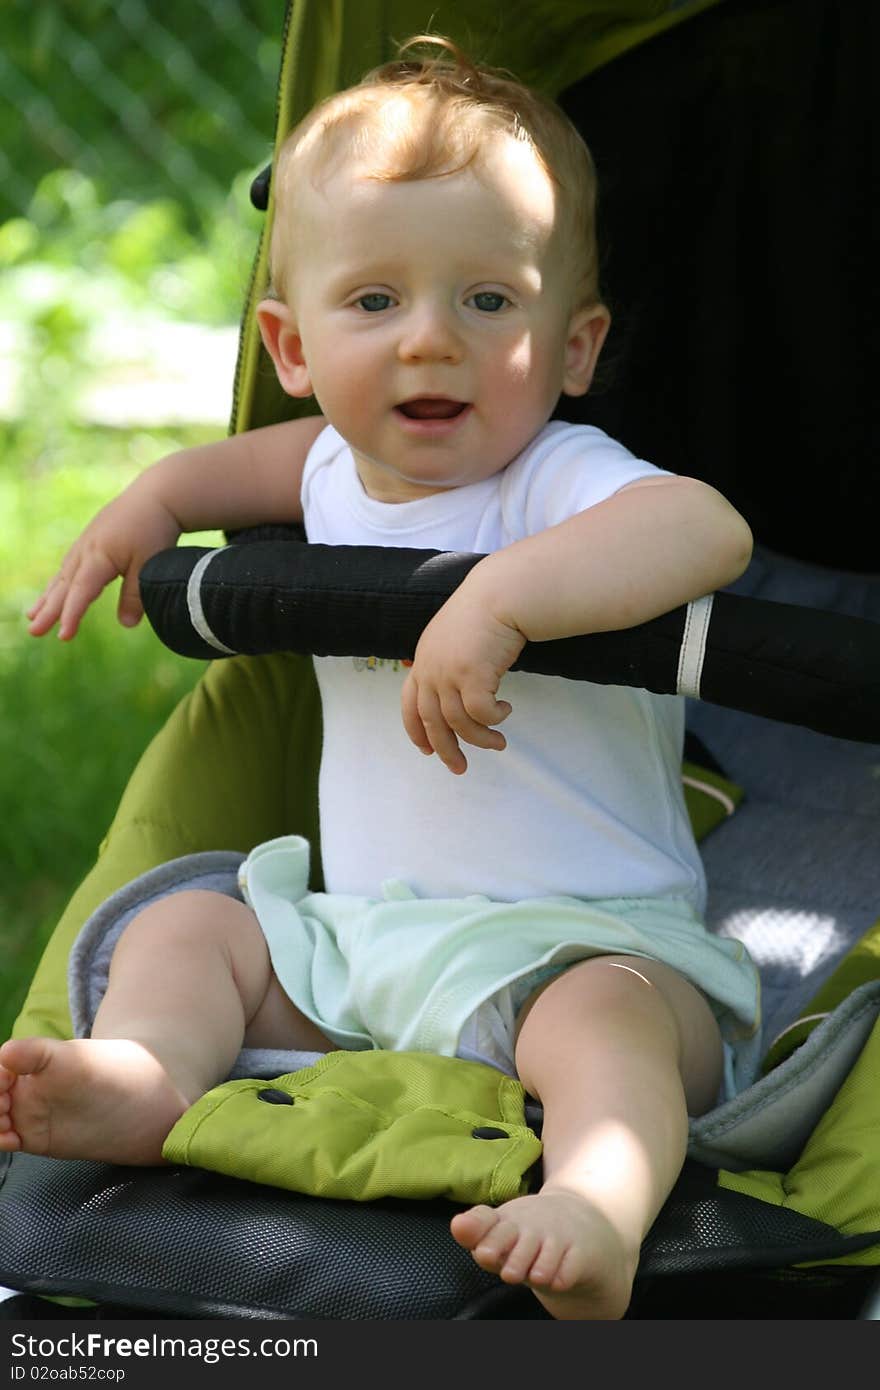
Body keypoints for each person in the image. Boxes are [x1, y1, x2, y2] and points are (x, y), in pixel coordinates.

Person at [0, 37, 759, 1319]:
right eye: (374, 304)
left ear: (572, 346)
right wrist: (136, 513)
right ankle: (146, 1075)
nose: (429, 345)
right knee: (195, 926)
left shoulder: (554, 477)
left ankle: (597, 1201)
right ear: (290, 347)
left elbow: (707, 531)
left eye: (486, 302)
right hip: (362, 952)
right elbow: (199, 479)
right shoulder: (321, 471)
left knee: (610, 1028)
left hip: (579, 941)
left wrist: (502, 595)